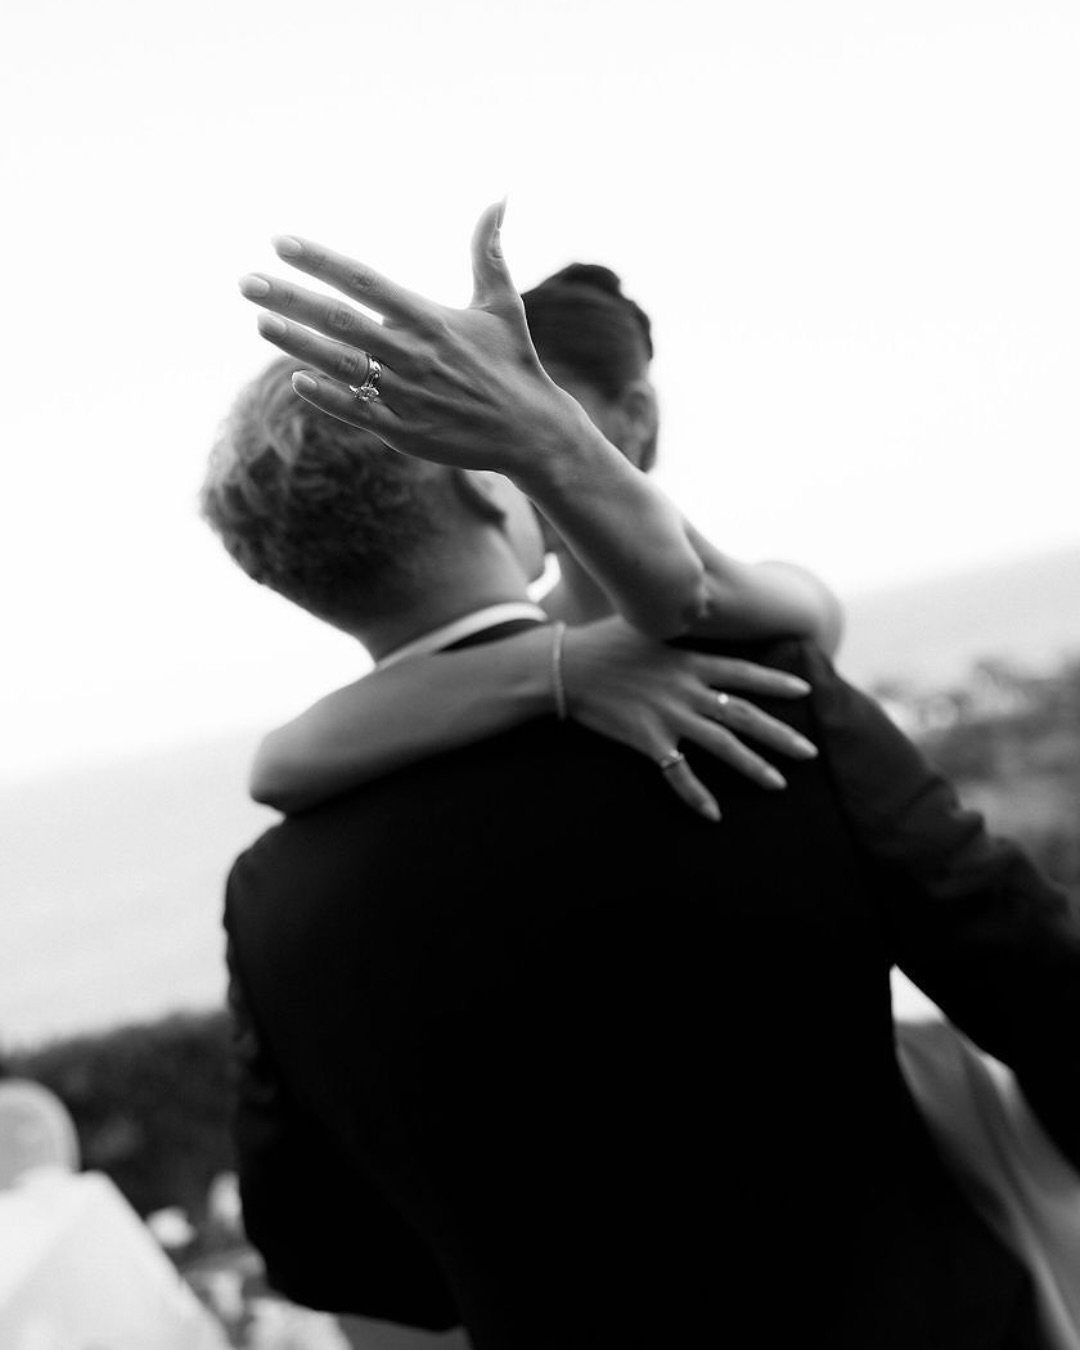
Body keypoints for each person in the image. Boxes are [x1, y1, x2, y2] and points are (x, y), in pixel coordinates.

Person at [207, 205, 1080, 1348]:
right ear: (484, 489)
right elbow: (1048, 996)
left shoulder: (271, 892)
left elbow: (322, 1248)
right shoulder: (751, 700)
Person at [245, 262, 835, 822]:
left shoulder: (759, 595)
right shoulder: (541, 636)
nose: (492, 457)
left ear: (634, 415)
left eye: (545, 415)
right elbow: (278, 765)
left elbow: (689, 595)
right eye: (475, 425)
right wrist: (566, 669)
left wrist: (550, 451)